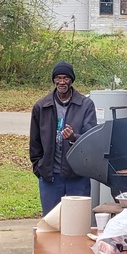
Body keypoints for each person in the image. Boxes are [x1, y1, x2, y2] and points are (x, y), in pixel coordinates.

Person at [29, 61, 98, 215]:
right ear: (54, 80)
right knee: (52, 224)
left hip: (78, 175)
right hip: (51, 177)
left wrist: (74, 137)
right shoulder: (41, 106)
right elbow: (35, 142)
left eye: (66, 78)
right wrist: (39, 167)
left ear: (71, 80)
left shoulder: (85, 105)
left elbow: (92, 140)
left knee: (78, 222)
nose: (61, 82)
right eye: (58, 78)